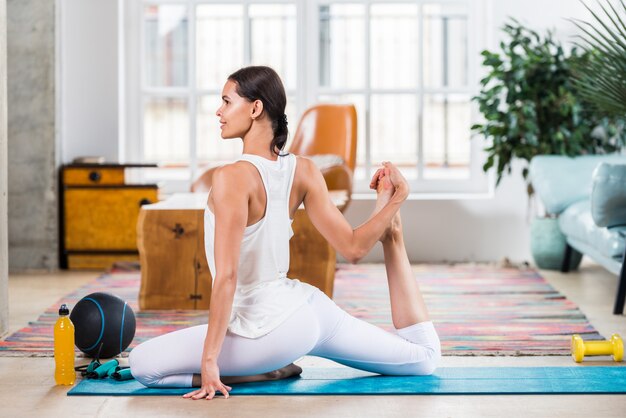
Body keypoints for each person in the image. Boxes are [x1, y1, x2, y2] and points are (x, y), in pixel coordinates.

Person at [129, 66, 441, 400]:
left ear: (255, 108)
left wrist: (209, 362)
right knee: (424, 358)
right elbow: (353, 247)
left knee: (142, 364)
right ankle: (392, 233)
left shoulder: (232, 177)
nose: (218, 112)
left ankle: (268, 370)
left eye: (226, 101)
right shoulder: (304, 169)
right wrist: (393, 202)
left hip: (266, 331)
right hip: (311, 311)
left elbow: (227, 278)